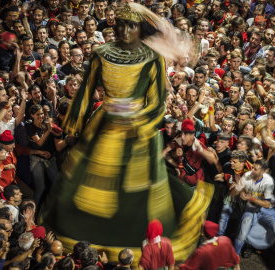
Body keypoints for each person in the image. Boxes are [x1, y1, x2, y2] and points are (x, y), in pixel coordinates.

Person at [40, 2, 208, 261]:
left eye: (132, 25)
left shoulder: (152, 58)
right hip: (104, 123)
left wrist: (137, 119)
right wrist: (74, 120)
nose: (126, 30)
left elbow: (156, 101)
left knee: (138, 189)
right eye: (121, 25)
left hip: (137, 129)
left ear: (140, 28)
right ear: (113, 26)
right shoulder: (101, 53)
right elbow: (86, 88)